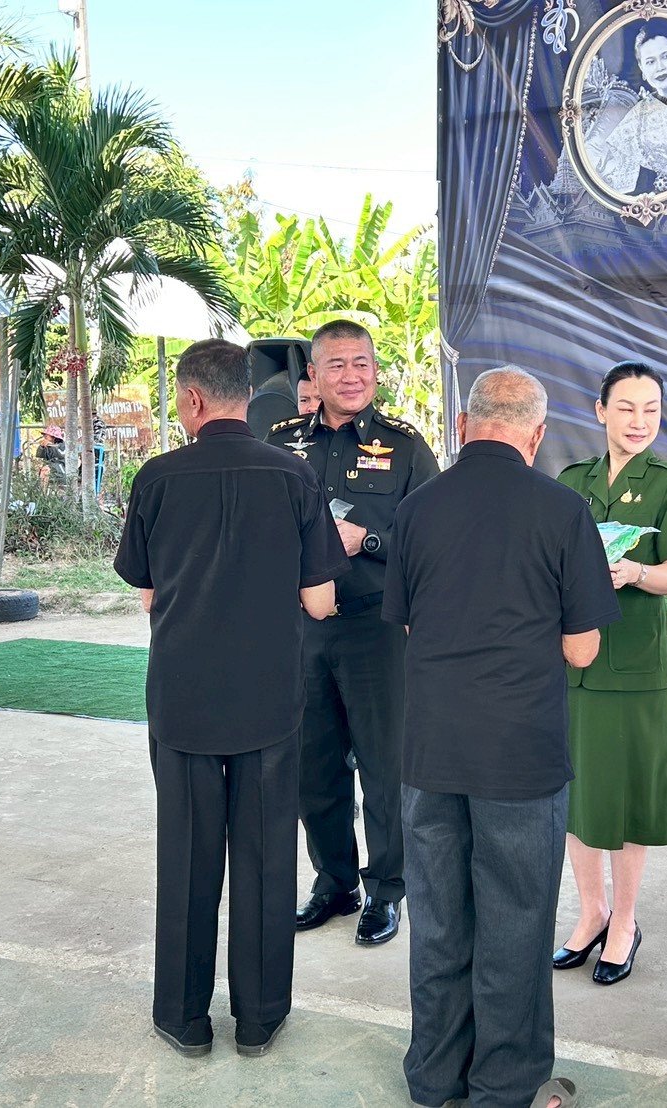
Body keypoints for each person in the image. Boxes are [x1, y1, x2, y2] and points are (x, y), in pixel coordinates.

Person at [384, 366, 621, 1108]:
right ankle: (505, 1086)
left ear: (464, 424)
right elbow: (581, 649)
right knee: (515, 920)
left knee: (438, 919)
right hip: (519, 753)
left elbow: (409, 624)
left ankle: (434, 1077)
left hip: (431, 747)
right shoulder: (563, 510)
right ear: (537, 434)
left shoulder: (416, 508)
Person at [114, 339, 348, 1059]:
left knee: (186, 858)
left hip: (183, 698)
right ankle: (259, 1019)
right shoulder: (294, 475)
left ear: (191, 399)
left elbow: (147, 591)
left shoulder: (156, 478)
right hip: (269, 700)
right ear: (247, 397)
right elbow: (319, 600)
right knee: (266, 858)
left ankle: (184, 1017)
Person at [267, 319, 440, 946]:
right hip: (300, 630)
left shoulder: (405, 446)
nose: (351, 376)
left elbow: (432, 538)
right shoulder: (280, 441)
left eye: (361, 363)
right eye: (336, 365)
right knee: (312, 765)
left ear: (375, 370)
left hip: (376, 629)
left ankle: (387, 890)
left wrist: (366, 540)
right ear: (313, 375)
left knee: (385, 766)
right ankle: (334, 881)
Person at [552, 361, 667, 986]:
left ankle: (625, 922)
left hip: (635, 664)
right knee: (578, 796)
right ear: (600, 411)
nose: (639, 421)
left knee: (632, 798)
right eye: (627, 408)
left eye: (651, 410)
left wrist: (634, 572)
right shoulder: (570, 481)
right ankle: (591, 913)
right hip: (573, 661)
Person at [588, 20, 667, 195]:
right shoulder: (642, 108)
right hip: (649, 199)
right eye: (650, 62)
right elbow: (617, 161)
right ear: (641, 67)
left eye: (666, 56)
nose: (660, 68)